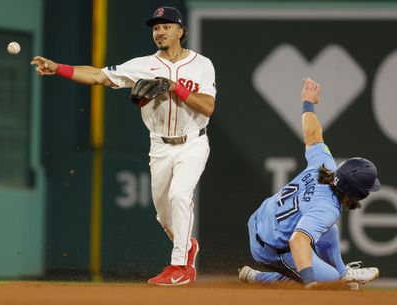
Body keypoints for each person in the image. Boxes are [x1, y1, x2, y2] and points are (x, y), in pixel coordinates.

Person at [31, 6, 216, 286]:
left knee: (180, 196)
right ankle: (186, 245)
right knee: (165, 216)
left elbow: (208, 106)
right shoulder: (143, 65)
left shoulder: (202, 64)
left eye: (166, 26)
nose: (160, 31)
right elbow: (98, 76)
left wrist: (176, 88)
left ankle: (180, 267)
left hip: (192, 142)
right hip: (160, 146)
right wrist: (59, 69)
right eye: (156, 27)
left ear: (181, 31)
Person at [238, 78, 380, 289]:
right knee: (334, 285)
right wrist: (310, 283)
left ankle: (343, 272)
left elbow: (312, 134)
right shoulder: (327, 208)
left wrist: (307, 102)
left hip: (260, 219)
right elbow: (297, 241)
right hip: (270, 247)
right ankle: (260, 277)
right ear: (358, 193)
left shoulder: (325, 165)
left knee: (329, 232)